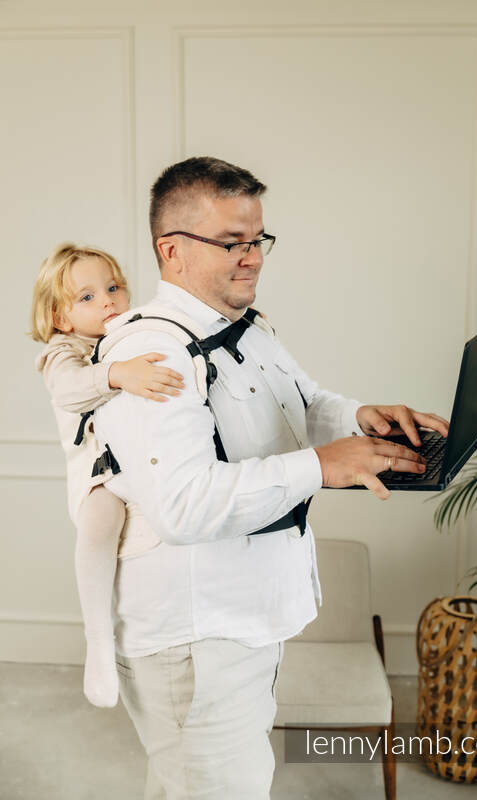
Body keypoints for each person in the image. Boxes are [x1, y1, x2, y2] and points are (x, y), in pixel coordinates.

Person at [93, 156, 449, 799]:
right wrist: (321, 464)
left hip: (245, 620)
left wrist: (360, 417)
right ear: (172, 250)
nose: (253, 258)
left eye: (258, 240)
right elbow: (183, 506)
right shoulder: (149, 354)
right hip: (196, 639)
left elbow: (302, 402)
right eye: (232, 242)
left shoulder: (247, 328)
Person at [31, 242, 185, 707]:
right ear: (60, 318)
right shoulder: (63, 352)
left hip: (135, 464)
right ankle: (97, 640)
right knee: (101, 523)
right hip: (97, 476)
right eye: (88, 297)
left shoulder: (129, 336)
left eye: (114, 287)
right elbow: (70, 390)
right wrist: (117, 374)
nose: (108, 301)